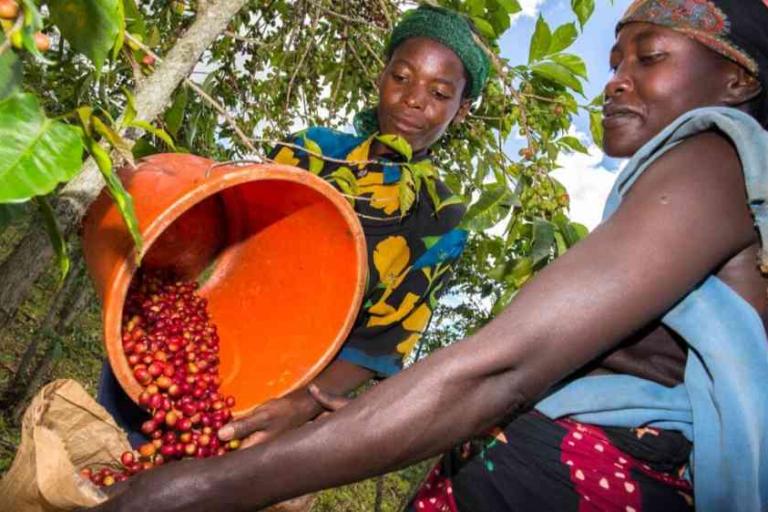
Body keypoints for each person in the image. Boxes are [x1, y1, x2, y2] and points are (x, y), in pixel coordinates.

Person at [92, 0, 768, 510]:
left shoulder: (714, 160)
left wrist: (213, 480)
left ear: (738, 82)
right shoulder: (312, 151)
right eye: (615, 61)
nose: (616, 81)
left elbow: (490, 365)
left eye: (647, 58)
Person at [96, 6, 489, 453]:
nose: (414, 99)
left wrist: (302, 405)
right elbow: (224, 231)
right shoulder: (311, 150)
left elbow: (380, 340)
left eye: (439, 93)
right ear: (381, 79)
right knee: (112, 453)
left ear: (461, 111)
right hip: (186, 338)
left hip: (283, 385)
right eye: (402, 77)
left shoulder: (440, 218)